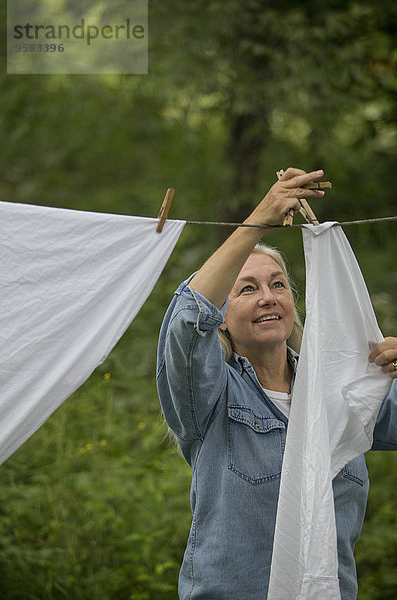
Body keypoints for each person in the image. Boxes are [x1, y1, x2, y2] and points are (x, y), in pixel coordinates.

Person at [156, 167, 397, 600]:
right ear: (222, 320)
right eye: (246, 289)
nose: (268, 296)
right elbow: (186, 322)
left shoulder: (337, 389)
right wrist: (261, 218)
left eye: (278, 284)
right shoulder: (209, 397)